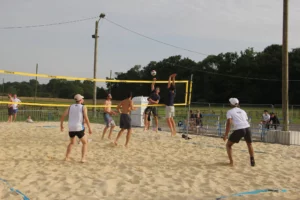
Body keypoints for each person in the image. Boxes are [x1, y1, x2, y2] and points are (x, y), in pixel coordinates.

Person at [223, 98, 255, 167]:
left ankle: (231, 162)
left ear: (231, 104)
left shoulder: (230, 111)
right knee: (249, 144)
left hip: (239, 129)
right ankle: (252, 160)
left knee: (228, 145)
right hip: (247, 128)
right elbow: (245, 120)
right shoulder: (243, 111)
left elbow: (229, 123)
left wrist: (226, 135)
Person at [60, 94, 92, 163]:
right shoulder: (83, 107)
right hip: (78, 127)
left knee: (72, 143)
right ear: (80, 100)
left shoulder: (70, 106)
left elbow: (63, 116)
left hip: (71, 128)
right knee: (85, 143)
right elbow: (86, 118)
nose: (83, 100)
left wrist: (61, 126)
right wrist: (90, 128)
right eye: (82, 99)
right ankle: (83, 158)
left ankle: (67, 157)